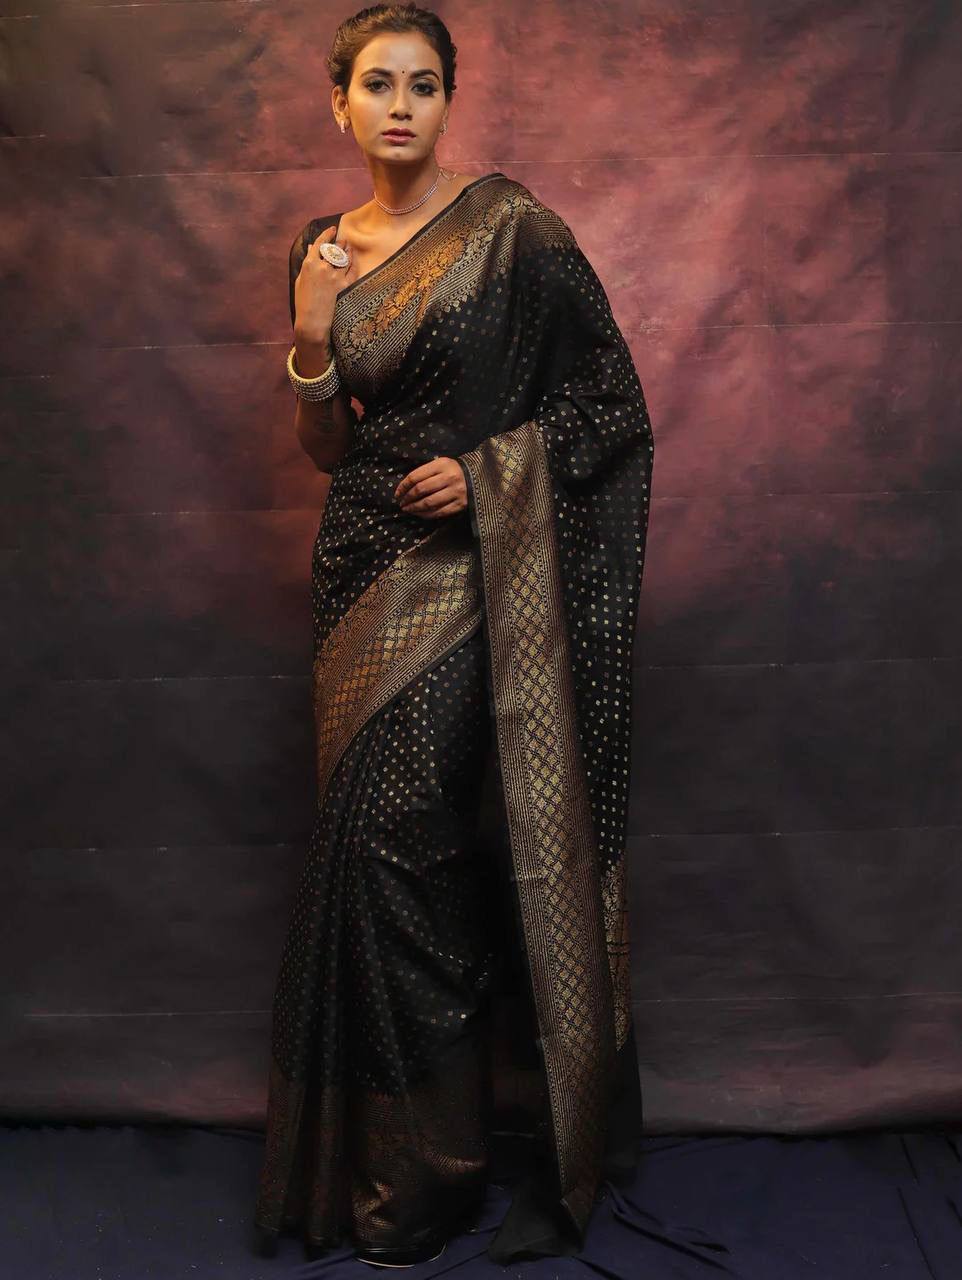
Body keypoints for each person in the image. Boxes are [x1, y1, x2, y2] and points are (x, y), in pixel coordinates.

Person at [252, 2, 655, 1268]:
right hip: (359, 570)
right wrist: (311, 336)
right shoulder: (321, 250)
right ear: (338, 103)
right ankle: (392, 1163)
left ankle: (436, 1171)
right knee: (371, 857)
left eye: (422, 85)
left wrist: (486, 474)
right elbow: (330, 447)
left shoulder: (512, 230)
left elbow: (610, 402)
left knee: (417, 844)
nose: (400, 107)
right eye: (377, 85)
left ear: (446, 101)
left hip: (477, 570)